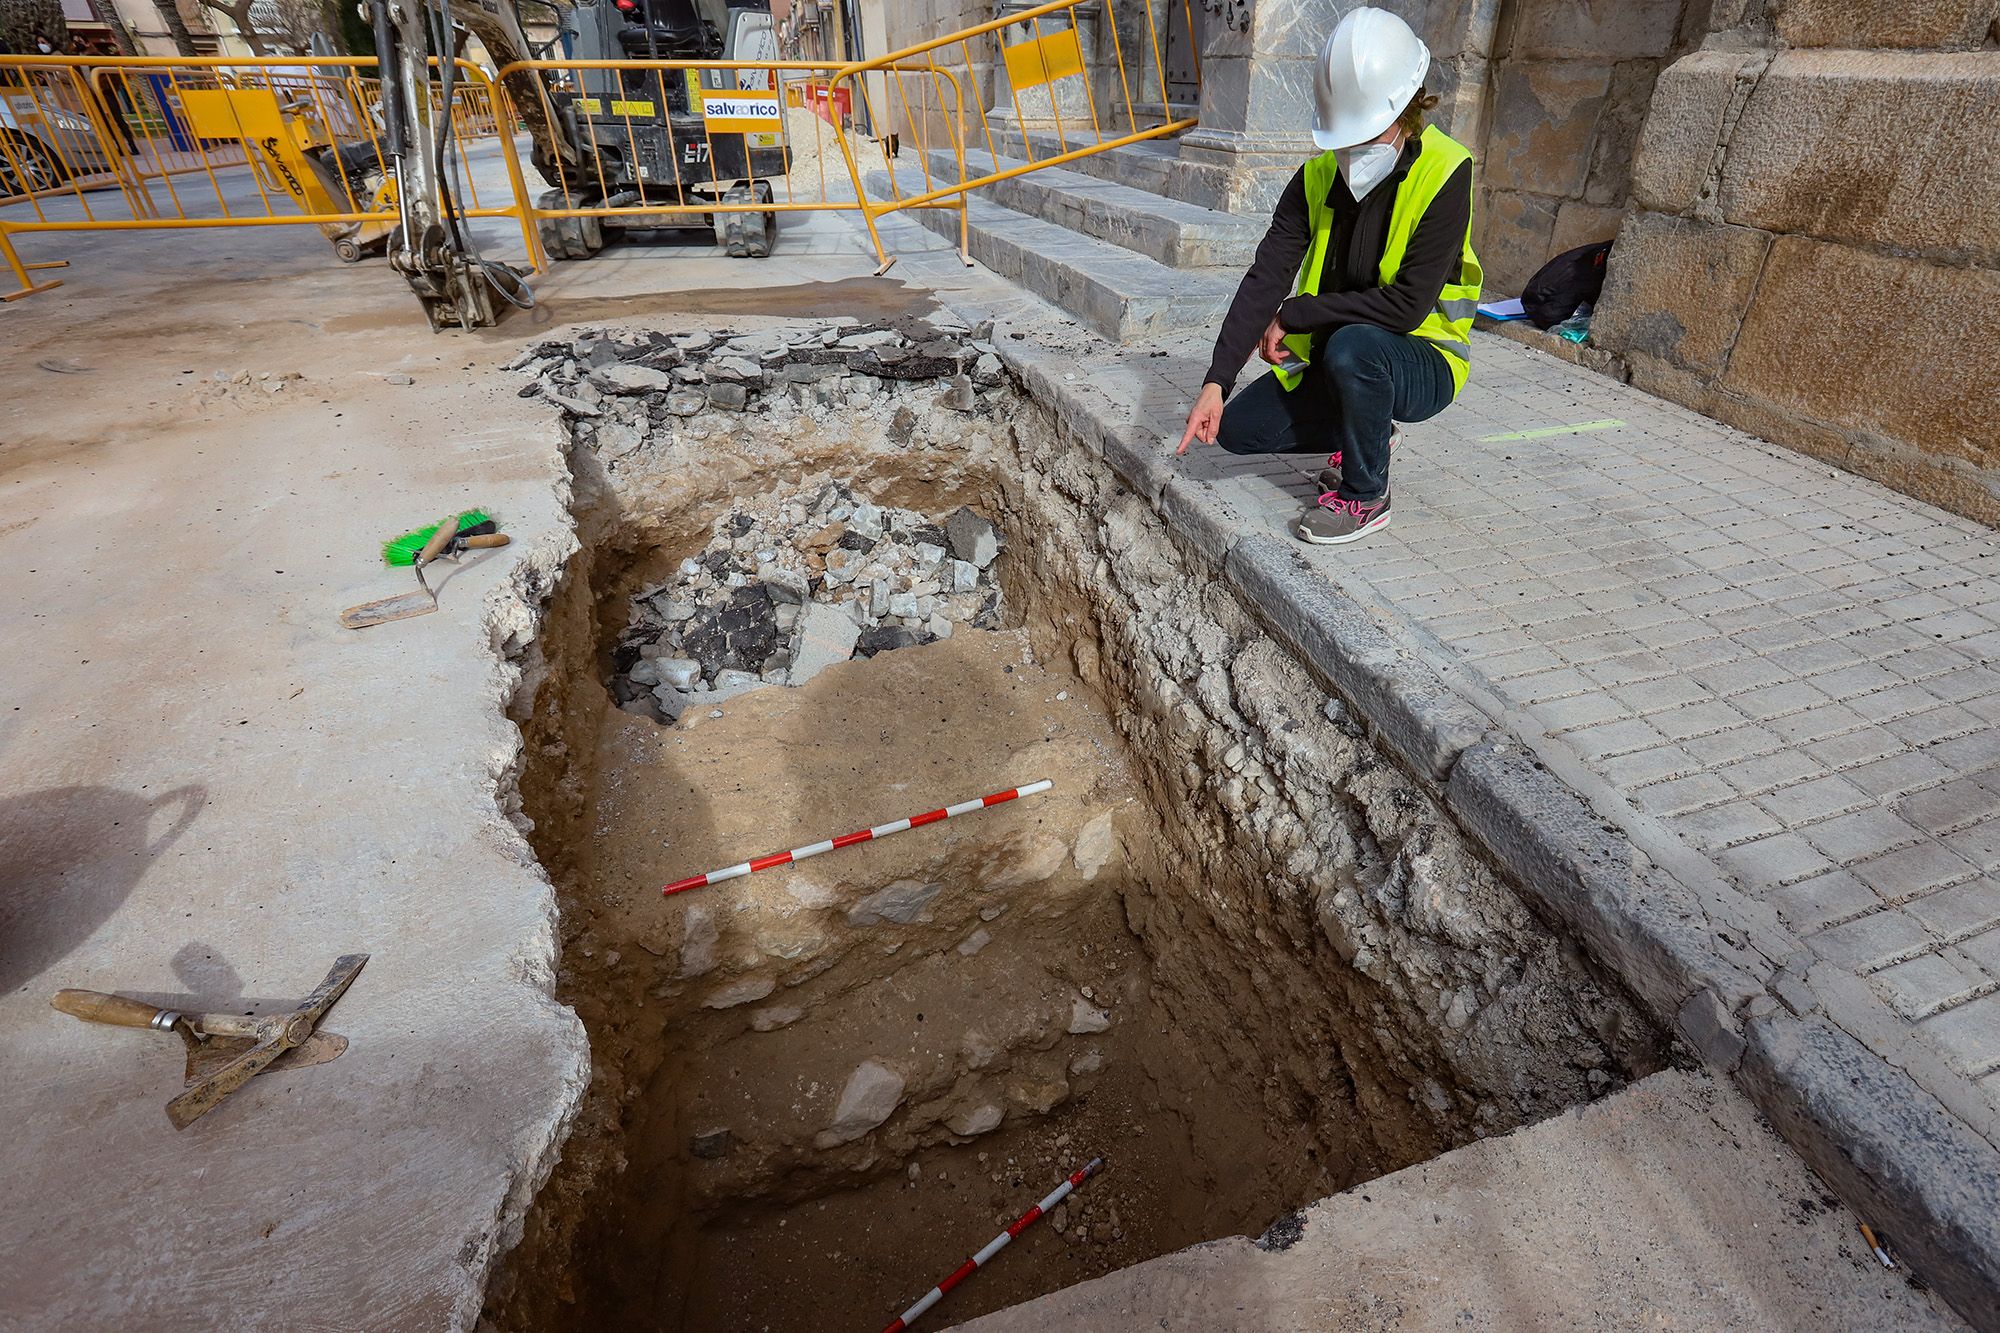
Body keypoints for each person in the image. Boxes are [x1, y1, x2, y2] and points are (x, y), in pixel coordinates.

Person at [1176, 7, 1482, 546]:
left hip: (1423, 360)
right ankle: (1370, 430)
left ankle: (1366, 496)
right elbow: (1266, 274)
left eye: (1368, 132)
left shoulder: (1446, 172)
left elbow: (1406, 307)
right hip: (1346, 357)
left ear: (1408, 110)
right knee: (1241, 430)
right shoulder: (1319, 174)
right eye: (1347, 135)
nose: (1354, 149)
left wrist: (1297, 314)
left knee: (1354, 348)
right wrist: (1216, 381)